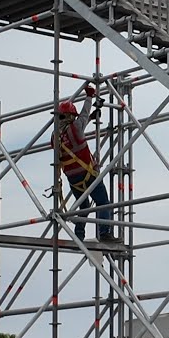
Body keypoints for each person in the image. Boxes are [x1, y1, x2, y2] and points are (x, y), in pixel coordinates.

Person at [53, 85, 115, 242]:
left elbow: (78, 125)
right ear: (70, 116)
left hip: (73, 179)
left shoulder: (54, 136)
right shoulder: (75, 127)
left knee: (84, 206)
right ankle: (105, 234)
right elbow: (84, 115)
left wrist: (91, 118)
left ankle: (79, 235)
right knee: (103, 203)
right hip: (88, 175)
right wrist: (89, 96)